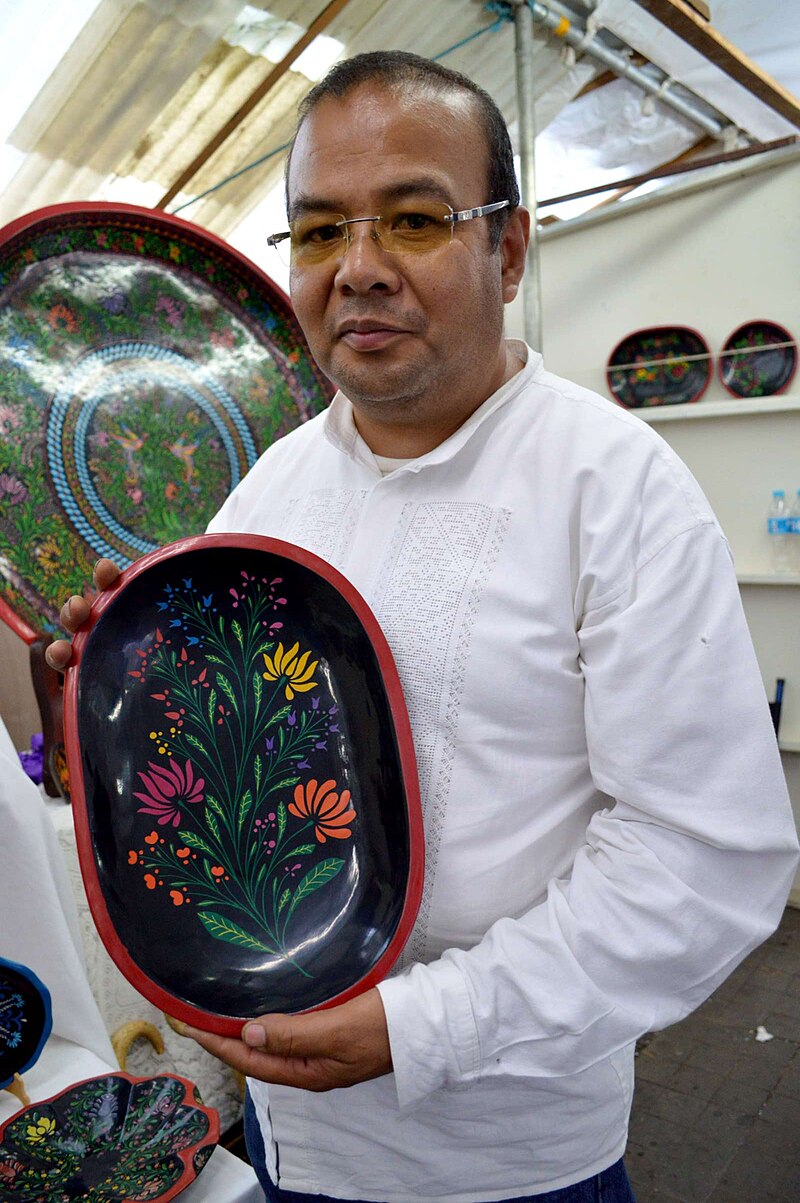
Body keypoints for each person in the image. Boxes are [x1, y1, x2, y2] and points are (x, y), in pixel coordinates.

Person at [47, 50, 799, 1203]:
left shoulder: (614, 486)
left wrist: (423, 1024)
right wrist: (125, 675)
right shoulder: (267, 492)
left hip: (511, 1156)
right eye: (316, 232)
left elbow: (706, 858)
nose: (357, 271)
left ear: (505, 248)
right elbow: (235, 761)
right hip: (293, 1137)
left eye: (412, 219)